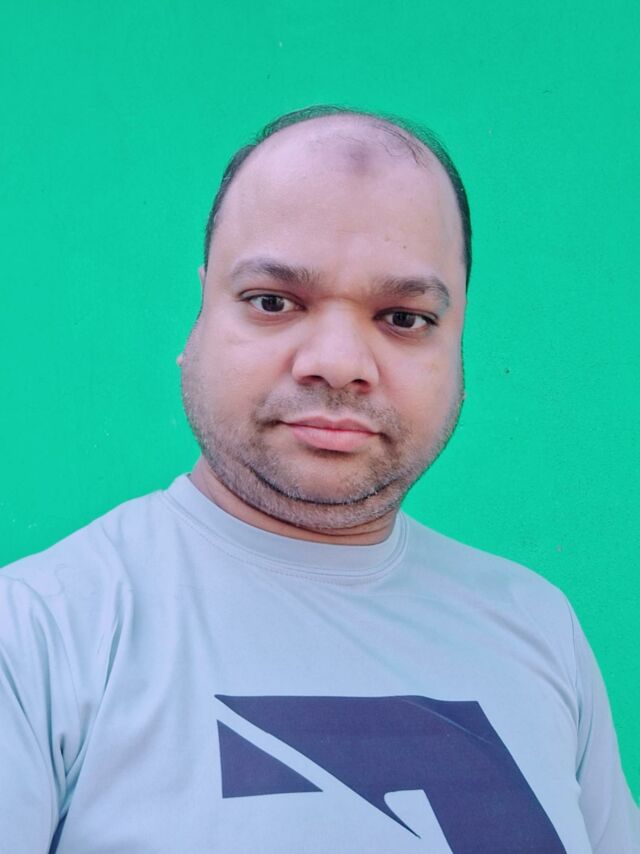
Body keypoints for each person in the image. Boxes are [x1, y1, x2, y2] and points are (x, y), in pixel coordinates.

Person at [1, 105, 637, 854]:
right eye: (273, 302)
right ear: (198, 319)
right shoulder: (35, 634)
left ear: (459, 343)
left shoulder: (538, 628)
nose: (337, 362)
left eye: (404, 317)